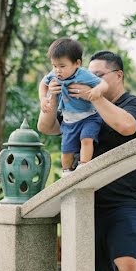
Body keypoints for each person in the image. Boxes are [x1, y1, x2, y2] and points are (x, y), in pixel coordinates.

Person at [37, 50, 136, 271]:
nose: (90, 79)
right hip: (88, 200)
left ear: (118, 75)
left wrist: (96, 97)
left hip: (125, 201)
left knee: (127, 263)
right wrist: (53, 97)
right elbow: (46, 127)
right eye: (89, 74)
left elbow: (126, 126)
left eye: (99, 75)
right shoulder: (79, 107)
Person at [38, 38, 108, 175]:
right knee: (66, 150)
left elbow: (103, 84)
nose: (57, 70)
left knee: (87, 139)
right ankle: (67, 172)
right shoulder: (55, 75)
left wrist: (96, 91)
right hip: (69, 120)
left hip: (89, 117)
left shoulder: (84, 74)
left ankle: (84, 165)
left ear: (77, 63)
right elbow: (43, 83)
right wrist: (43, 99)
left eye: (62, 66)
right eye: (54, 66)